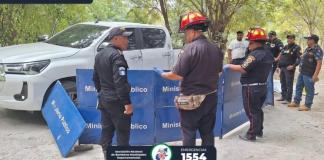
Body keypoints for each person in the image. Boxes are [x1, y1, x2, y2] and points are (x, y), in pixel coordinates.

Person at [154, 11, 223, 146]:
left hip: (192, 100)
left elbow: (176, 75)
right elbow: (219, 72)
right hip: (211, 98)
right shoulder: (216, 48)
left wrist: (161, 73)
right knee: (208, 132)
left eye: (186, 32)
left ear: (193, 31)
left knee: (189, 132)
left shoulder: (190, 49)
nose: (186, 36)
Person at [226, 27, 273, 141]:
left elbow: (243, 68)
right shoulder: (268, 53)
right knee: (257, 110)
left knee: (251, 111)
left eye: (250, 42)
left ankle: (251, 134)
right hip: (262, 86)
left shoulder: (254, 55)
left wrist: (227, 66)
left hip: (251, 88)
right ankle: (259, 130)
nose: (248, 45)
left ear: (255, 42)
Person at [92, 27, 133, 157]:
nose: (127, 40)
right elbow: (119, 83)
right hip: (117, 102)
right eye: (124, 37)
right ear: (115, 39)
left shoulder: (100, 54)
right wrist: (127, 104)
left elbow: (95, 78)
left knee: (107, 131)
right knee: (123, 133)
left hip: (105, 100)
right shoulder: (116, 56)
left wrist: (103, 92)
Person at [288, 34, 323, 111]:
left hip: (309, 73)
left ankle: (307, 105)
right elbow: (301, 58)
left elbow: (319, 63)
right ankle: (296, 102)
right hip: (302, 72)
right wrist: (293, 66)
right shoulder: (308, 48)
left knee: (309, 89)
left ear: (313, 40)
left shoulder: (317, 49)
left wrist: (315, 75)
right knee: (298, 87)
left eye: (308, 39)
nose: (307, 41)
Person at [277, 34, 301, 104]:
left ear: (294, 39)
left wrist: (293, 66)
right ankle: (283, 97)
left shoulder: (297, 47)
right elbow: (281, 57)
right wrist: (278, 66)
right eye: (288, 38)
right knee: (282, 82)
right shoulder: (285, 47)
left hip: (289, 69)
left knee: (289, 84)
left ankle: (288, 99)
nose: (289, 40)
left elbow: (299, 58)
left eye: (290, 38)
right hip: (282, 68)